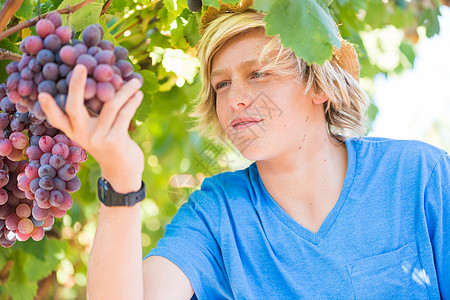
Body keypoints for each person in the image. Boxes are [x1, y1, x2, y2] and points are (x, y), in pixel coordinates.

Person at [38, 1, 449, 299]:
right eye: (222, 84)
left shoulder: (418, 174)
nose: (235, 98)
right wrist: (122, 178)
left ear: (320, 85)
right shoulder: (215, 213)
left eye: (259, 73)